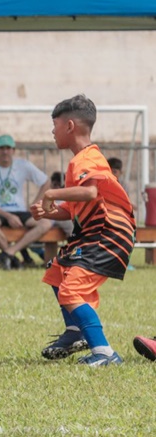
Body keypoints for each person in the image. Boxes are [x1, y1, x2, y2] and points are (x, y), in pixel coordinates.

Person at [32, 94, 136, 366]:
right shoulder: (80, 160)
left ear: (69, 126)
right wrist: (50, 211)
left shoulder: (86, 158)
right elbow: (75, 206)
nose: (52, 131)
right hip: (95, 232)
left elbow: (89, 192)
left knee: (71, 292)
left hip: (108, 233)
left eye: (54, 125)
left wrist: (52, 192)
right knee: (56, 271)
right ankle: (75, 332)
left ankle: (105, 353)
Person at [0, 134, 51, 269]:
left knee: (45, 223)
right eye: (2, 148)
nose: (5, 151)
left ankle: (9, 252)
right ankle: (13, 256)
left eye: (8, 148)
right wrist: (8, 216)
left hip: (19, 210)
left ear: (13, 151)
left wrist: (34, 204)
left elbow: (46, 182)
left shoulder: (23, 165)